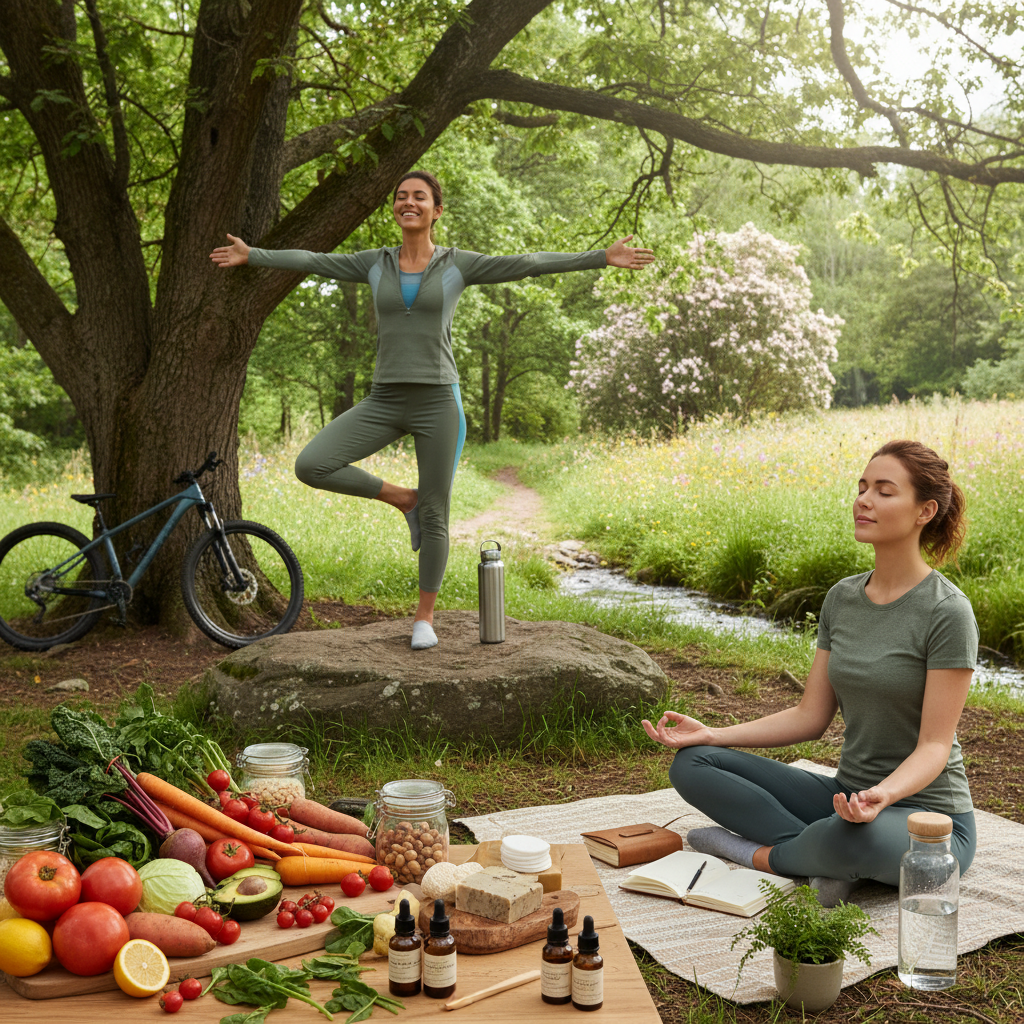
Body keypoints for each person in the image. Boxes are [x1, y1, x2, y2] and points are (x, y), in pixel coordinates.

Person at [211, 170, 654, 649]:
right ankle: (405, 499)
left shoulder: (457, 265)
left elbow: (526, 263)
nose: (409, 202)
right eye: (401, 196)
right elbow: (314, 260)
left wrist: (599, 258)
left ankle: (424, 617)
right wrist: (252, 254)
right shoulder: (373, 263)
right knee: (312, 464)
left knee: (439, 511)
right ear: (395, 210)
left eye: (419, 197)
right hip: (384, 398)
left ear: (436, 210)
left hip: (438, 401)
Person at [642, 439, 978, 906]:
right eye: (862, 487)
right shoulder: (842, 598)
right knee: (694, 765)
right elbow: (810, 716)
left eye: (884, 490)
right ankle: (828, 855)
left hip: (929, 818)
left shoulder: (947, 612)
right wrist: (714, 734)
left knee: (862, 838)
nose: (863, 499)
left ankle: (762, 855)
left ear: (925, 511)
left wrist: (881, 796)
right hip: (847, 798)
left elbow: (935, 746)